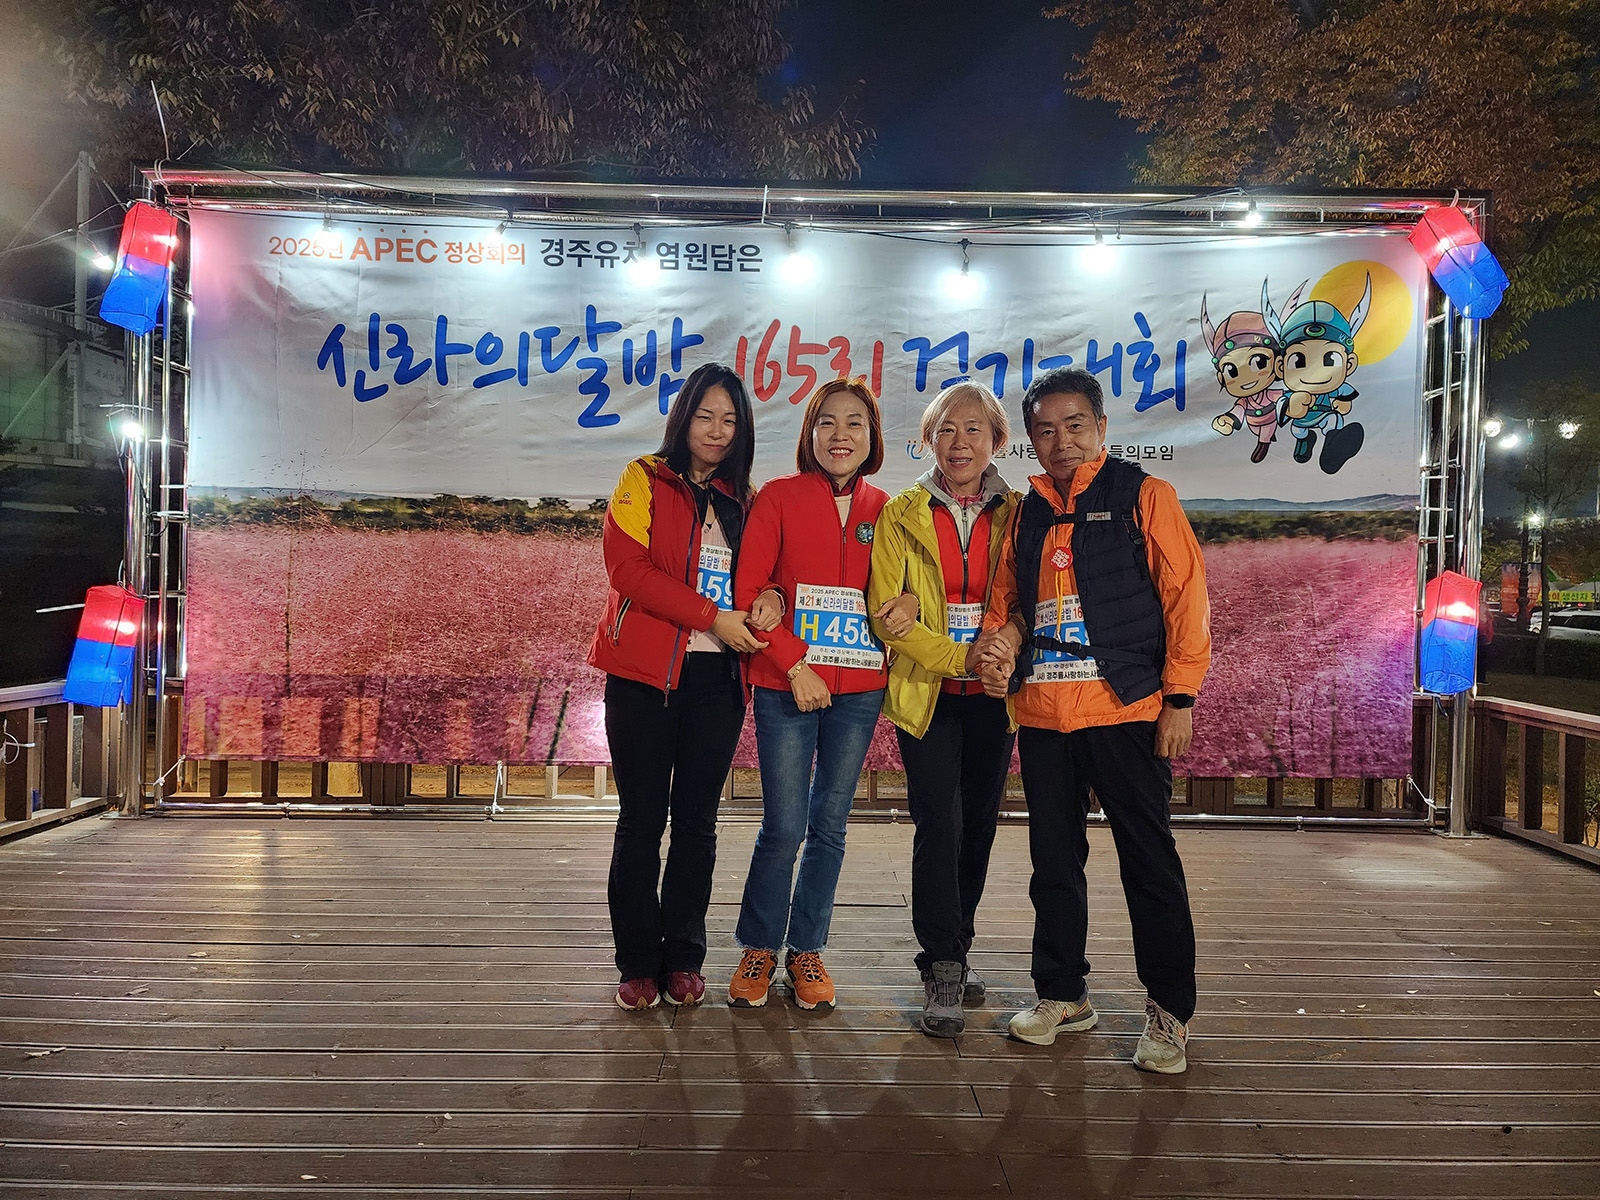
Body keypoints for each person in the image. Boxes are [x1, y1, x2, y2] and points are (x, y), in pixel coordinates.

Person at [976, 365, 1210, 1074]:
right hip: (1045, 714)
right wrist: (998, 648)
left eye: (1075, 425)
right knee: (1053, 863)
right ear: (1032, 440)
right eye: (1045, 431)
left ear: (1101, 428)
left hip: (1126, 707)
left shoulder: (1145, 495)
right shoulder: (1026, 512)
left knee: (1149, 861)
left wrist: (1180, 699)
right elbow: (1008, 600)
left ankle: (1169, 1012)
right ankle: (1063, 994)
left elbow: (1185, 596)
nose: (1062, 442)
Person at [587, 363, 768, 1011]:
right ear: (683, 417)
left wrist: (771, 601)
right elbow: (627, 570)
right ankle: (638, 962)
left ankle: (684, 957)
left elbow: (767, 576)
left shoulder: (747, 499)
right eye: (705, 416)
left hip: (718, 681)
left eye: (730, 420)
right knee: (641, 822)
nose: (716, 431)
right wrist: (712, 617)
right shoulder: (643, 478)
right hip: (643, 678)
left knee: (698, 824)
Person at [727, 377, 890, 1011]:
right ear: (809, 433)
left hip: (859, 691)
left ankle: (806, 950)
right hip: (785, 684)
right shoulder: (777, 497)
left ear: (872, 436)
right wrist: (796, 665)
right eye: (827, 422)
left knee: (830, 826)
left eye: (855, 423)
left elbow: (903, 587)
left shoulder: (887, 508)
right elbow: (749, 591)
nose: (840, 435)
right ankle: (759, 946)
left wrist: (907, 603)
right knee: (784, 825)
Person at [867, 381, 1020, 1038]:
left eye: (973, 430)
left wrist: (1002, 649)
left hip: (995, 696)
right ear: (929, 440)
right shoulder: (901, 513)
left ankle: (958, 945)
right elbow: (888, 615)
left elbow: (1029, 599)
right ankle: (940, 965)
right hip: (927, 696)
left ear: (997, 440)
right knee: (940, 823)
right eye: (946, 430)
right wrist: (962, 657)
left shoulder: (1019, 512)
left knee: (979, 824)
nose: (959, 443)